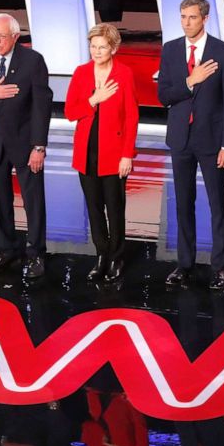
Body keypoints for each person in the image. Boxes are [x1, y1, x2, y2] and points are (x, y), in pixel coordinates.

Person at [156, 0, 224, 290]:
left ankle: (219, 266)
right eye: (182, 17)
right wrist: (191, 80)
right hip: (180, 138)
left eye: (191, 17)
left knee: (218, 204)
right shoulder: (170, 50)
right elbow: (164, 95)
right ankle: (184, 263)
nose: (186, 23)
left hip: (212, 140)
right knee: (182, 203)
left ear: (205, 18)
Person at [0, 13, 53, 280]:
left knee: (32, 200)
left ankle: (36, 252)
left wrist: (39, 146)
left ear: (15, 36)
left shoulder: (32, 60)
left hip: (26, 143)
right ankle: (7, 249)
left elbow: (42, 104)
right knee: (0, 199)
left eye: (2, 36)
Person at [64, 23, 139, 282]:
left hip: (115, 153)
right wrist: (93, 100)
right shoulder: (82, 72)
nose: (96, 51)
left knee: (115, 209)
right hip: (86, 152)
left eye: (102, 47)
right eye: (93, 46)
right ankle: (101, 255)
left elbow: (131, 117)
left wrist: (127, 154)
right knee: (94, 208)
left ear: (113, 48)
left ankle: (117, 257)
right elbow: (70, 112)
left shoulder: (124, 74)